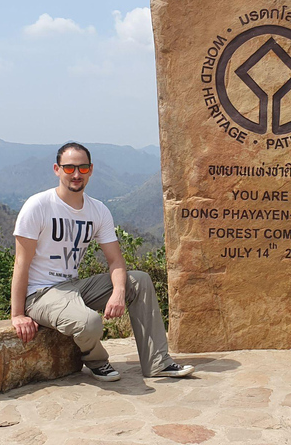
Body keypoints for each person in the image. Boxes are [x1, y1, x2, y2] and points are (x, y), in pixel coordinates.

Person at [11, 142, 194, 381]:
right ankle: (97, 360)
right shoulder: (38, 206)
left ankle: (158, 362)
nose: (76, 174)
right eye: (69, 168)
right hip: (41, 294)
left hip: (74, 286)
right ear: (57, 169)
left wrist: (119, 292)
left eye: (83, 168)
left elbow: (115, 260)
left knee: (138, 281)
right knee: (90, 322)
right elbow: (21, 263)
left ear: (91, 170)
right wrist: (17, 314)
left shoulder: (97, 210)